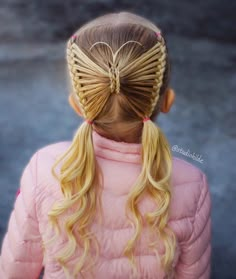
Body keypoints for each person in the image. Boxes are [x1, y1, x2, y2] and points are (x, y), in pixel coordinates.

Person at [0, 11, 212, 279]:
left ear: (77, 105)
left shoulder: (45, 168)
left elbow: (14, 270)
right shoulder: (192, 183)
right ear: (167, 100)